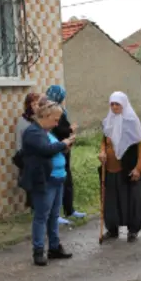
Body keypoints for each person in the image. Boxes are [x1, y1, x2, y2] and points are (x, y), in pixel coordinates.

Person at [19, 99, 75, 266]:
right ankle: (38, 250)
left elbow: (53, 150)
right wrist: (63, 143)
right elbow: (46, 149)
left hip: (57, 179)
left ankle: (54, 247)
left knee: (54, 215)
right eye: (55, 120)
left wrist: (64, 148)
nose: (57, 123)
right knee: (42, 216)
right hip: (44, 180)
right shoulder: (33, 132)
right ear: (47, 116)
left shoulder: (45, 131)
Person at [98, 92, 141, 242]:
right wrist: (102, 153)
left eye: (117, 104)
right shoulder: (108, 121)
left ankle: (133, 230)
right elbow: (104, 142)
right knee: (111, 201)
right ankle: (112, 229)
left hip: (127, 168)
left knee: (131, 200)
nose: (114, 107)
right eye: (112, 104)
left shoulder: (132, 122)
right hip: (110, 169)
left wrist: (138, 168)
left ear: (124, 104)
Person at [46, 85, 86, 225]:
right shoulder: (50, 111)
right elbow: (57, 130)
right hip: (56, 149)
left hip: (64, 148)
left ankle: (69, 210)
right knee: (57, 182)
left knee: (67, 180)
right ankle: (55, 215)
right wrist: (70, 129)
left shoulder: (61, 110)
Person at [14, 93, 42, 209]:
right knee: (31, 184)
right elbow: (19, 140)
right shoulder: (23, 120)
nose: (36, 106)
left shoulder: (41, 119)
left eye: (38, 104)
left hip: (40, 154)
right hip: (28, 156)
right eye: (33, 104)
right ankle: (33, 206)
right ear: (28, 105)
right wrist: (21, 156)